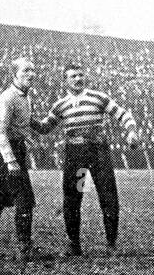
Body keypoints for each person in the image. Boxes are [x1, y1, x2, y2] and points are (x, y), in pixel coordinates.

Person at [35, 63, 140, 256]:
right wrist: (25, 117)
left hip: (98, 152)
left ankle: (111, 244)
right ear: (65, 81)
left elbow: (123, 114)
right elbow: (44, 128)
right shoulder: (60, 105)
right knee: (73, 197)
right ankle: (74, 244)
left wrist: (131, 132)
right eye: (73, 76)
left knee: (107, 195)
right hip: (75, 155)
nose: (78, 79)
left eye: (80, 75)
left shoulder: (98, 97)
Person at [0, 57, 48, 261]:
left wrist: (30, 134)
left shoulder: (25, 96)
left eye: (32, 70)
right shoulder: (7, 98)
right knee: (25, 199)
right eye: (26, 70)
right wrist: (11, 161)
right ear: (14, 74)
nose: (31, 74)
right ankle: (24, 250)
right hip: (7, 153)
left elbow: (20, 123)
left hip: (16, 149)